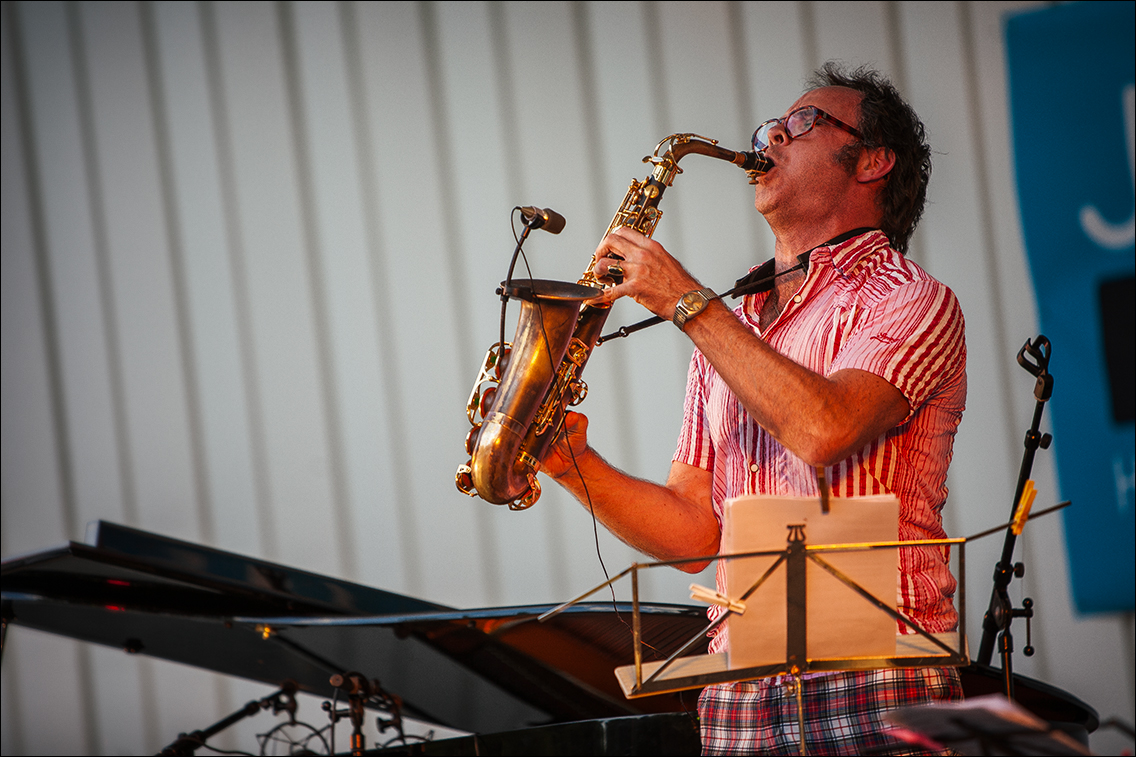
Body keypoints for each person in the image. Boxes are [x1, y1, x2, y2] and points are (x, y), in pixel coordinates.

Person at [543, 62, 966, 756]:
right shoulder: (731, 322)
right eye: (770, 126)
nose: (770, 136)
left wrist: (687, 300)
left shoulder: (910, 297)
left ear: (874, 162)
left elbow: (824, 429)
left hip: (879, 674)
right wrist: (573, 463)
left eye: (801, 124)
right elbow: (693, 535)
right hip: (741, 691)